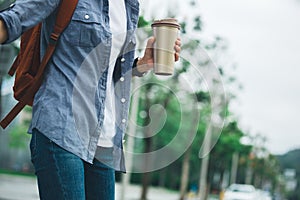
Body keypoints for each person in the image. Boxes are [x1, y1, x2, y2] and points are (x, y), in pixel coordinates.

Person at [0, 0, 181, 199]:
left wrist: (143, 64)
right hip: (61, 130)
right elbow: (13, 20)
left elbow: (108, 72)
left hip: (103, 142)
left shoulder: (128, 6)